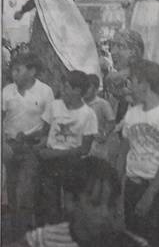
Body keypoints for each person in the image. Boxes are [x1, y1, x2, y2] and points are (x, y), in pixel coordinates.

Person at [14, 0, 101, 96]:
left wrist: (22, 11)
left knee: (44, 56)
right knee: (64, 54)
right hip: (62, 23)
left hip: (45, 23)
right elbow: (70, 0)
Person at [4, 157, 150, 247]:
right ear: (70, 201)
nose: (105, 213)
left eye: (111, 205)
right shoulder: (44, 239)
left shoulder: (132, 244)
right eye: (95, 204)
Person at [117, 59, 159, 246]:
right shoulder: (132, 113)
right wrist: (114, 189)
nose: (129, 87)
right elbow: (123, 153)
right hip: (134, 185)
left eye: (132, 82)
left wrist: (151, 193)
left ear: (145, 84)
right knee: (135, 238)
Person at [2, 53, 54, 237]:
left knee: (25, 191)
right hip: (9, 147)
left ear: (32, 71)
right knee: (13, 190)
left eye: (18, 70)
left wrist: (38, 138)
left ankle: (25, 235)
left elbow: (48, 123)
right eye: (13, 70)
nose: (14, 74)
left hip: (31, 148)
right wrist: (3, 145)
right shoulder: (7, 91)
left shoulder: (45, 91)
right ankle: (17, 233)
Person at [35, 70, 97, 224]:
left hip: (73, 164)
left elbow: (84, 149)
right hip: (49, 163)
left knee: (72, 206)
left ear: (77, 91)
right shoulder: (54, 106)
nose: (63, 90)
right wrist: (41, 145)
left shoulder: (88, 114)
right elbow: (45, 132)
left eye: (67, 87)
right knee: (49, 205)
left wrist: (55, 154)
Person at [84, 74, 118, 164]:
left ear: (95, 89)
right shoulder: (79, 103)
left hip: (97, 146)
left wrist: (104, 134)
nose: (86, 90)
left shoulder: (103, 104)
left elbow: (111, 122)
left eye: (89, 87)